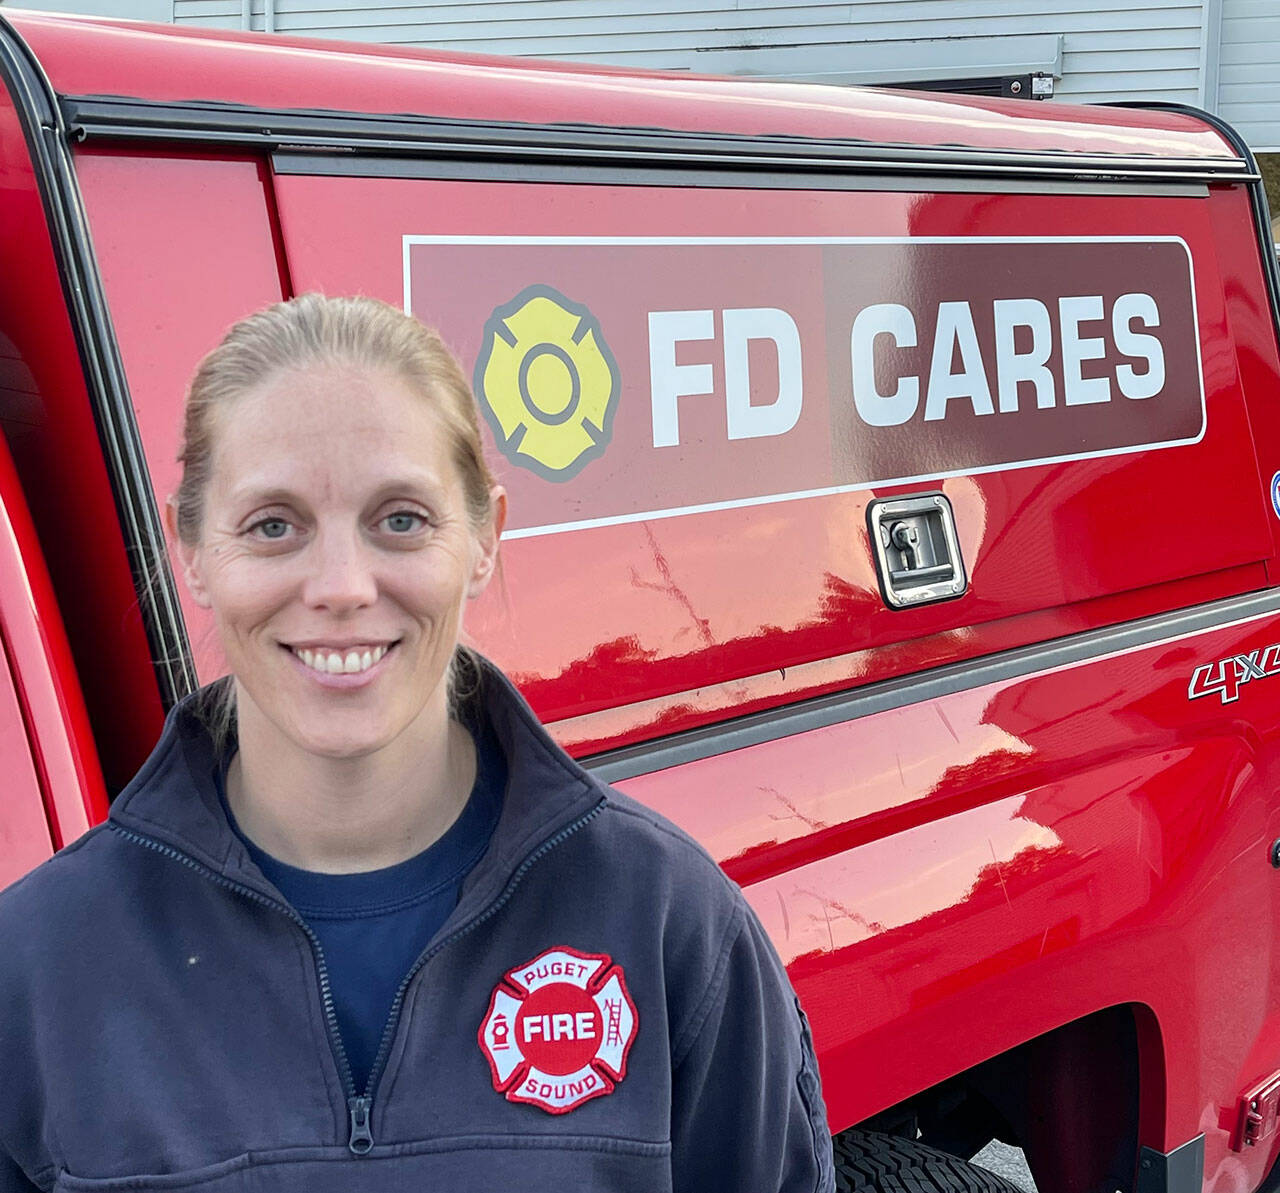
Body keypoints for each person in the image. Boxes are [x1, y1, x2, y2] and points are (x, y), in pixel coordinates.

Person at [0, 294, 836, 1192]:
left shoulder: (670, 924)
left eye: (399, 518)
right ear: (193, 550)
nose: (341, 586)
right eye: (272, 524)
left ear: (482, 537)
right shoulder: (38, 966)